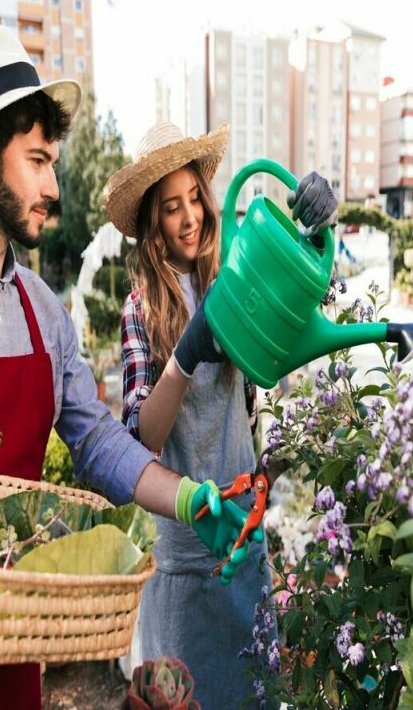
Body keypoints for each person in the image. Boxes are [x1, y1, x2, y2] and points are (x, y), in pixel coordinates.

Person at [0, 27, 258, 710]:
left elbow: (100, 444)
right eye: (38, 161)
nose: (52, 185)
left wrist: (187, 498)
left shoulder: (43, 313)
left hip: (17, 664)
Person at [103, 121, 338, 709]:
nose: (189, 219)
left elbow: (309, 305)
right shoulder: (140, 310)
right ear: (151, 224)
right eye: (170, 208)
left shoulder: (234, 275)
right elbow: (141, 439)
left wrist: (313, 226)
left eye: (194, 201)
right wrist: (183, 358)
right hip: (180, 570)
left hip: (244, 549)